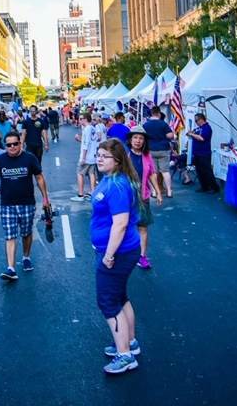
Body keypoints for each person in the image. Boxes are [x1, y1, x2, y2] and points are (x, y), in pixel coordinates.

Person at [91, 139, 142, 374]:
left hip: (118, 253)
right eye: (98, 154)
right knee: (120, 297)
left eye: (105, 156)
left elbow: (120, 224)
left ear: (118, 160)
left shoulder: (118, 186)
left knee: (108, 302)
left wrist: (109, 255)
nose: (99, 158)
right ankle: (129, 343)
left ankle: (125, 356)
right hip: (120, 251)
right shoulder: (110, 180)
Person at [0, 130, 50, 281]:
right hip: (7, 204)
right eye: (9, 145)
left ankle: (26, 257)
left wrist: (45, 198)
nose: (12, 147)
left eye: (15, 144)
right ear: (5, 146)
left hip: (27, 203)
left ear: (21, 144)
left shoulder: (29, 158)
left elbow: (39, 177)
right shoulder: (0, 160)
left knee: (26, 233)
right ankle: (11, 268)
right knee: (10, 236)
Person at [126, 126, 162, 269]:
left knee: (142, 227)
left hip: (142, 197)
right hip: (125, 198)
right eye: (135, 137)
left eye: (141, 138)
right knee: (123, 226)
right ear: (130, 139)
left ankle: (142, 257)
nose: (138, 141)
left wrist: (158, 192)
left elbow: (152, 174)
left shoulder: (147, 156)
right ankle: (123, 253)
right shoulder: (124, 154)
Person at [144, 106, 175, 198]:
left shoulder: (146, 125)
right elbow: (170, 136)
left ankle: (154, 192)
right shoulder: (163, 124)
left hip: (150, 150)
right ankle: (169, 191)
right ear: (158, 113)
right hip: (163, 149)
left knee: (154, 172)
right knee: (165, 171)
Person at [187, 112, 219, 193]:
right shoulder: (198, 128)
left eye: (197, 120)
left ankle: (214, 187)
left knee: (207, 171)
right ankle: (204, 186)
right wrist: (190, 133)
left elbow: (202, 138)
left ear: (201, 119)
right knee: (199, 171)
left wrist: (192, 135)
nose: (196, 122)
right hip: (197, 153)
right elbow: (191, 134)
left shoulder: (207, 128)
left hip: (204, 153)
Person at [72, 113, 99, 202]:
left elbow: (86, 144)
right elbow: (93, 141)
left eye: (81, 119)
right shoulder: (92, 128)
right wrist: (79, 139)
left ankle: (80, 194)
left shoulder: (87, 129)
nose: (79, 120)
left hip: (87, 156)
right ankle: (93, 192)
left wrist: (83, 157)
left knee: (80, 173)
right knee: (92, 174)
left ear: (85, 119)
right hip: (93, 155)